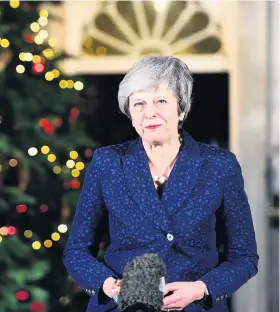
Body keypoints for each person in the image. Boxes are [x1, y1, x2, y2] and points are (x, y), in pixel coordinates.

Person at [63, 55, 258, 312]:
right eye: (139, 103)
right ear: (130, 114)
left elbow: (244, 258)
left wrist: (201, 288)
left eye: (161, 101)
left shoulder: (220, 165)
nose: (149, 112)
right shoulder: (107, 163)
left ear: (182, 109)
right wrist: (110, 286)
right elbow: (76, 251)